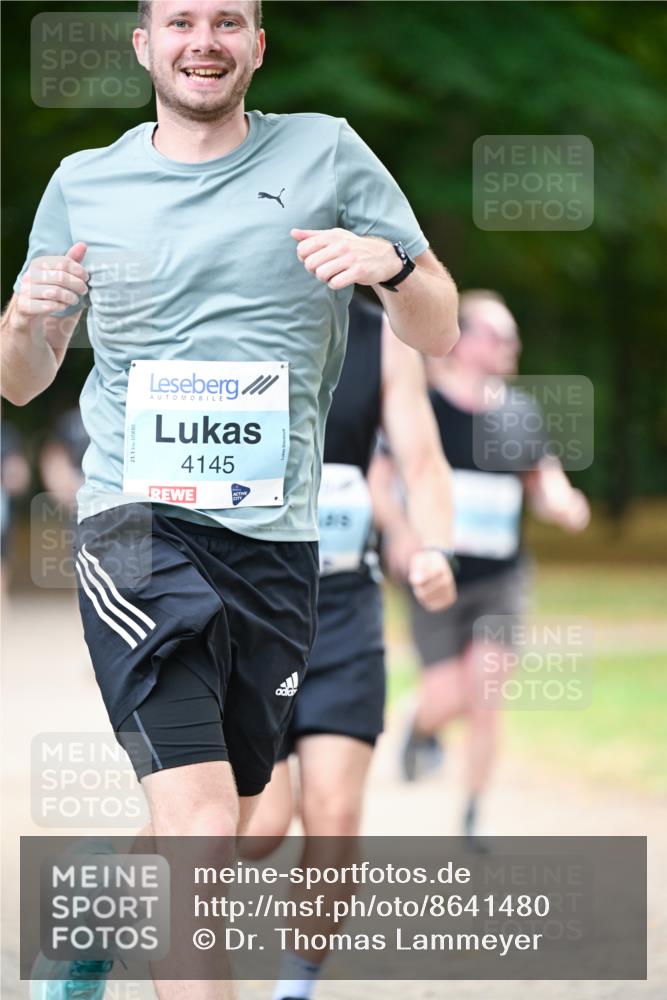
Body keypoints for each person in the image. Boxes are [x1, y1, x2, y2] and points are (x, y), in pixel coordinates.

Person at [0, 2, 459, 997]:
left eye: (226, 21)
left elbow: (437, 325)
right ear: (144, 45)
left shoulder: (328, 152)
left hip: (276, 543)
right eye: (178, 21)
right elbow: (23, 378)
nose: (201, 40)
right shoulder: (84, 183)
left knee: (248, 817)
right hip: (136, 526)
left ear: (257, 44)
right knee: (206, 827)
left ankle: (98, 902)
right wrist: (21, 321)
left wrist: (395, 268)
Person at [245, 293, 457, 1000]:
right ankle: (110, 885)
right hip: (242, 607)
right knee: (257, 826)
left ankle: (294, 989)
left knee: (333, 815)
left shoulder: (380, 334)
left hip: (343, 606)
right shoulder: (222, 309)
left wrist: (433, 548)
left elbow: (422, 461)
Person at [377, 290, 589, 846]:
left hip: (501, 577)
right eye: (500, 335)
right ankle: (419, 724)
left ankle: (474, 813)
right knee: (448, 694)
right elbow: (383, 477)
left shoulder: (519, 411)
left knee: (488, 689)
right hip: (438, 575)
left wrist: (563, 502)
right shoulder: (420, 405)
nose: (512, 347)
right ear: (464, 340)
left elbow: (542, 479)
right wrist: (399, 532)